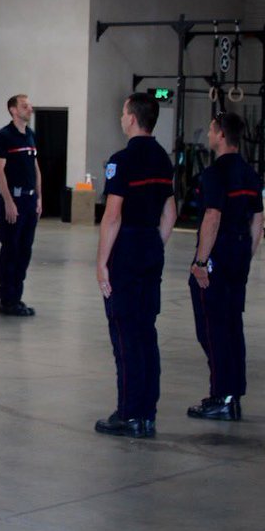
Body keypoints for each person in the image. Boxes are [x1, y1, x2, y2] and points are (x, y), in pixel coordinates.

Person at [94, 92, 176, 439]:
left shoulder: (122, 160)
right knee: (146, 333)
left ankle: (129, 414)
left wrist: (101, 263)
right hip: (150, 246)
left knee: (125, 335)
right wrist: (154, 243)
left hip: (126, 248)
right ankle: (148, 413)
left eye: (123, 111)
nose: (121, 116)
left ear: (132, 118)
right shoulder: (162, 158)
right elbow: (170, 212)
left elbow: (112, 216)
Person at [187, 111, 264, 421]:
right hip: (240, 252)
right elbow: (258, 220)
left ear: (220, 135)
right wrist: (246, 254)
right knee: (232, 326)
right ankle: (234, 394)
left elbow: (212, 216)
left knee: (212, 328)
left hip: (218, 254)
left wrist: (201, 261)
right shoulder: (249, 173)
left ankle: (221, 396)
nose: (208, 135)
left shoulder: (214, 173)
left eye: (210, 130)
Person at [0, 94, 42, 317]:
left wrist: (39, 197)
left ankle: (17, 298)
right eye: (24, 106)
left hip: (30, 200)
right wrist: (8, 201)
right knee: (10, 250)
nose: (29, 109)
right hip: (14, 200)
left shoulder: (30, 135)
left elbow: (35, 167)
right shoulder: (3, 137)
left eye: (29, 105)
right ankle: (7, 301)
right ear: (13, 110)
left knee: (24, 251)